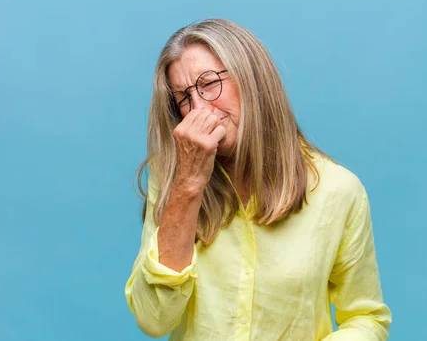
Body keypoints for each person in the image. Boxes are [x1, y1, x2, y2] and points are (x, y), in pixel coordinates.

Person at [124, 18, 392, 340]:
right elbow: (152, 320)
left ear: (252, 80)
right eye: (183, 97)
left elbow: (367, 318)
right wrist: (187, 187)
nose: (198, 107)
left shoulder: (339, 190)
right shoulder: (175, 180)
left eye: (209, 83)